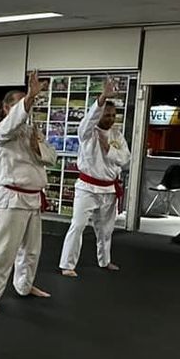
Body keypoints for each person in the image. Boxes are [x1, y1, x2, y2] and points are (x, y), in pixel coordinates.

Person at [0, 74, 54, 313]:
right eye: (20, 104)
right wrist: (30, 96)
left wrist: (36, 147)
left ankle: (24, 284)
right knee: (2, 247)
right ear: (7, 107)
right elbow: (14, 121)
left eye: (27, 103)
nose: (26, 108)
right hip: (12, 196)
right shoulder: (2, 131)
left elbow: (52, 157)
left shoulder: (32, 131)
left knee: (31, 249)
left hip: (33, 196)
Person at [59, 91, 130, 275]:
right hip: (87, 188)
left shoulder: (117, 135)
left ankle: (105, 261)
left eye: (113, 115)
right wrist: (102, 98)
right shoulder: (88, 132)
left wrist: (108, 149)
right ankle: (67, 265)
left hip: (109, 189)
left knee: (106, 230)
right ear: (98, 114)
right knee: (78, 225)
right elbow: (89, 120)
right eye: (107, 115)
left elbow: (125, 159)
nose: (111, 118)